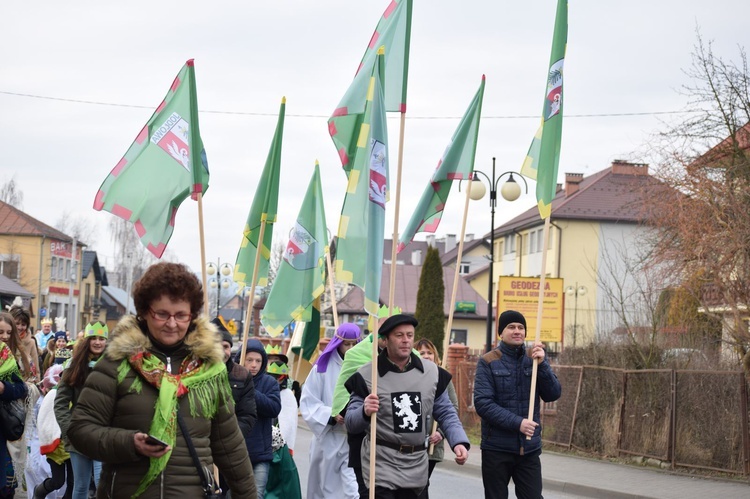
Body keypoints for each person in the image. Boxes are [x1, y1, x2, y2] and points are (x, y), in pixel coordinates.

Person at [67, 262, 256, 498]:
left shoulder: (210, 370)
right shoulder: (117, 363)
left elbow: (230, 447)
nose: (172, 323)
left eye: (181, 315)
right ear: (146, 311)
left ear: (192, 315)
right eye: (162, 314)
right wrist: (129, 443)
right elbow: (80, 430)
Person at [344, 314, 470, 498]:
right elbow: (350, 423)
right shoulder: (367, 375)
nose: (405, 340)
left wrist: (458, 441)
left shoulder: (432, 373)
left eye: (409, 335)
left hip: (416, 464)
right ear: (385, 340)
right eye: (399, 335)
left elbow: (446, 411)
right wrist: (364, 411)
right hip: (380, 464)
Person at [473, 310, 562, 499]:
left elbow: (553, 394)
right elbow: (483, 404)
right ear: (501, 333)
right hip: (496, 448)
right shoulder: (488, 361)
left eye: (521, 327)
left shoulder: (534, 360)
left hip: (529, 449)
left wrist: (544, 364)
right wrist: (518, 423)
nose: (517, 331)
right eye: (511, 327)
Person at [300, 322, 361, 499]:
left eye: (353, 344)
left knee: (352, 490)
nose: (350, 348)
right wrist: (331, 414)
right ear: (338, 342)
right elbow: (308, 400)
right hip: (328, 438)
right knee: (325, 488)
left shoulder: (364, 367)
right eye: (346, 343)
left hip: (354, 438)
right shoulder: (322, 368)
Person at [54, 322, 108, 499]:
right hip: (79, 434)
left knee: (102, 483)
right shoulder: (73, 366)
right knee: (81, 486)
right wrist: (69, 429)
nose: (98, 342)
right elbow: (61, 403)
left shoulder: (114, 366)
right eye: (94, 338)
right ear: (87, 341)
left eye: (102, 339)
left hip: (104, 434)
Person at [213, 318, 257, 499]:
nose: (223, 351)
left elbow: (248, 415)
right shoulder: (193, 373)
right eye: (217, 345)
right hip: (200, 450)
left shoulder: (241, 375)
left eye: (226, 346)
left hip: (229, 449)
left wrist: (228, 438)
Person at [415, 338, 459, 499]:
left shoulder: (442, 378)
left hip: (432, 444)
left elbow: (453, 407)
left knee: (421, 484)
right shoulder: (409, 376)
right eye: (421, 353)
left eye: (429, 352)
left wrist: (441, 432)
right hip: (411, 443)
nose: (426, 356)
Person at [242, 339, 281, 499]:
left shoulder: (269, 382)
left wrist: (251, 390)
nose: (253, 365)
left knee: (256, 495)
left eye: (258, 361)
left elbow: (273, 408)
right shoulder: (231, 380)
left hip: (260, 454)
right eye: (249, 360)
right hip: (236, 452)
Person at [0, 313, 30, 499]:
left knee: (5, 486)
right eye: (0, 331)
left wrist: (4, 388)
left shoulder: (11, 358)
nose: (4, 336)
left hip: (5, 427)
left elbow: (22, 388)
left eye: (9, 332)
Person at [35, 364, 74, 499]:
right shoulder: (53, 393)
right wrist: (51, 437)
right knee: (58, 481)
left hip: (73, 443)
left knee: (72, 483)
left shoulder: (79, 393)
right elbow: (44, 419)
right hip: (57, 446)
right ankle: (38, 493)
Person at [265, 344, 297, 454]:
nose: (272, 362)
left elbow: (288, 419)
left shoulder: (287, 392)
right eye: (269, 359)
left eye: (275, 359)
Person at [9, 307, 39, 381]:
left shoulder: (31, 342)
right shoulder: (4, 341)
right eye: (17, 323)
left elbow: (36, 370)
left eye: (23, 324)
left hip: (25, 386)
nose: (20, 327)